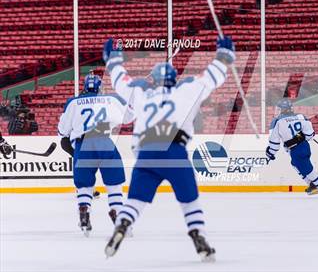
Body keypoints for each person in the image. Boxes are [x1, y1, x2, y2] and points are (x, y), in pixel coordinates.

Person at [103, 36, 235, 262]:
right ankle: (198, 235)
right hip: (174, 150)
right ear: (174, 79)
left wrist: (113, 60)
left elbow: (119, 80)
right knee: (189, 199)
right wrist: (224, 55)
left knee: (136, 199)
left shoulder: (140, 92)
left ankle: (123, 224)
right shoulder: (187, 89)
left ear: (153, 80)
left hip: (146, 153)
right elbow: (213, 76)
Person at [57, 71, 134, 236]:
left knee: (84, 184)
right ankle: (117, 212)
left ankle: (84, 213)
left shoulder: (73, 103)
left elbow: (63, 131)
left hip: (83, 144)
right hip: (104, 141)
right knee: (114, 182)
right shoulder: (111, 99)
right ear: (100, 87)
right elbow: (128, 118)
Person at [266, 99, 318, 199]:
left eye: (279, 109)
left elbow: (274, 141)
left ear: (283, 110)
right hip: (305, 146)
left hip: (296, 150)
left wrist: (270, 152)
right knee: (295, 164)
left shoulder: (277, 121)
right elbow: (310, 135)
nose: (278, 111)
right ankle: (312, 184)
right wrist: (299, 137)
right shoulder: (300, 117)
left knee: (308, 170)